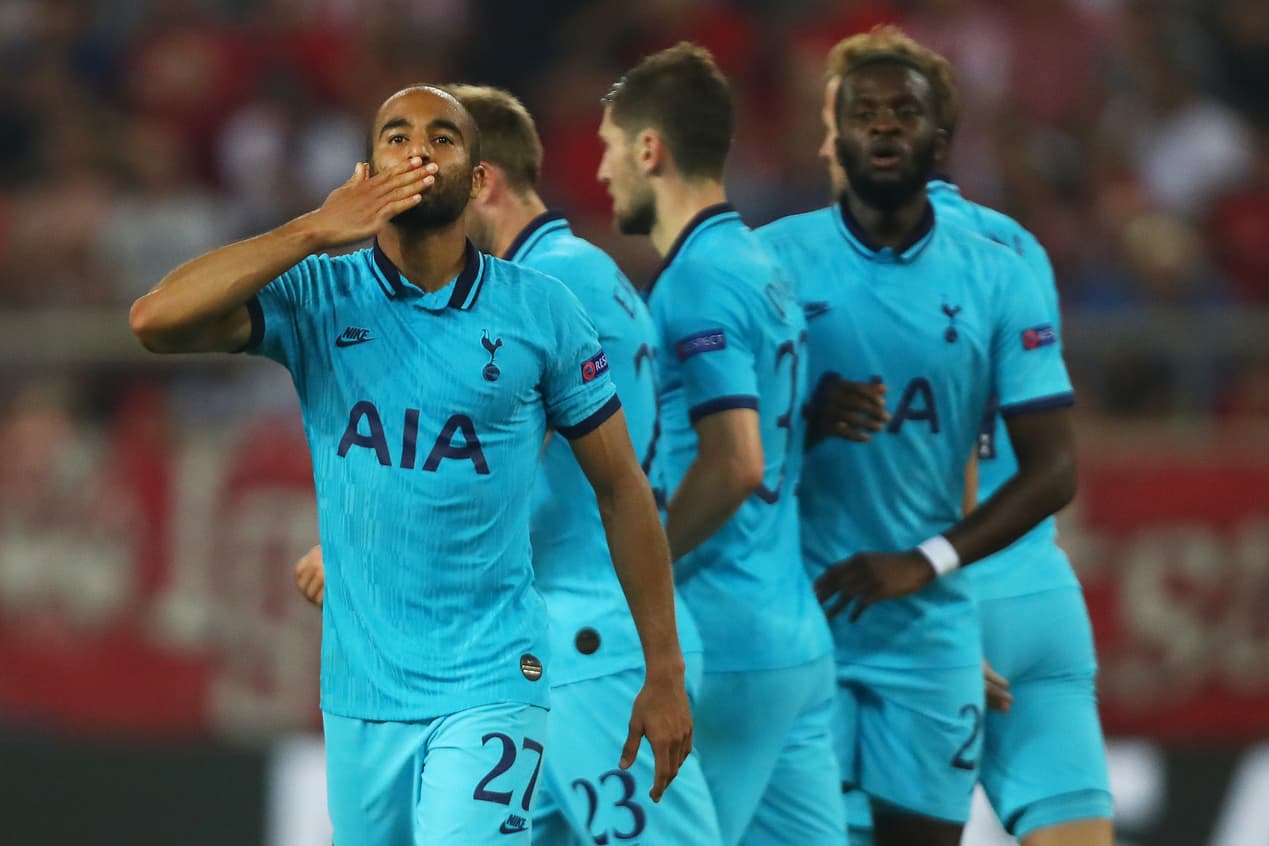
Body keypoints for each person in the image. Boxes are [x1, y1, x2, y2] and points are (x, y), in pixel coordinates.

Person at [129, 84, 692, 846]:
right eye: (396, 136)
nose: (418, 149)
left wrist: (665, 670)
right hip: (361, 693)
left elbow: (623, 487)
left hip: (493, 678)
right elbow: (154, 321)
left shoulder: (541, 310)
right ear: (368, 169)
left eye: (443, 138)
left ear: (476, 174)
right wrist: (309, 230)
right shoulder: (320, 295)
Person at [293, 82, 722, 846]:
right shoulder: (582, 270)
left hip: (582, 632)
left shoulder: (549, 291)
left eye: (434, 157)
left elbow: (583, 469)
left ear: (478, 179)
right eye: (397, 151)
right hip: (573, 632)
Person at [756, 43, 1078, 846]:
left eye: (904, 112)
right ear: (834, 136)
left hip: (927, 627)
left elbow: (1054, 469)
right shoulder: (771, 263)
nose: (884, 129)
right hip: (799, 617)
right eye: (863, 115)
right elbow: (706, 442)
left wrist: (925, 562)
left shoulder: (999, 278)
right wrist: (798, 414)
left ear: (941, 139)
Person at [597, 43, 845, 846]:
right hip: (795, 643)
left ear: (649, 149)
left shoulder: (696, 279)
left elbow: (737, 461)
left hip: (727, 642)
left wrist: (640, 565)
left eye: (608, 148)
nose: (601, 173)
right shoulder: (762, 264)